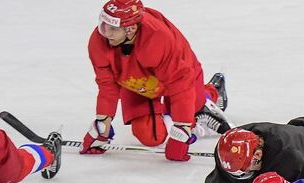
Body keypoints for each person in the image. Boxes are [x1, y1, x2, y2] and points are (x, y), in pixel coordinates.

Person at [85, 0, 228, 161]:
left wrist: (182, 131)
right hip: (136, 82)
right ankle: (179, 108)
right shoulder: (98, 41)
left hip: (178, 75)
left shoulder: (159, 39)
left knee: (191, 106)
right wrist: (102, 125)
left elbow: (180, 84)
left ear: (130, 29)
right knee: (150, 136)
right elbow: (107, 86)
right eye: (103, 24)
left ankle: (209, 95)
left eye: (112, 28)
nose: (105, 32)